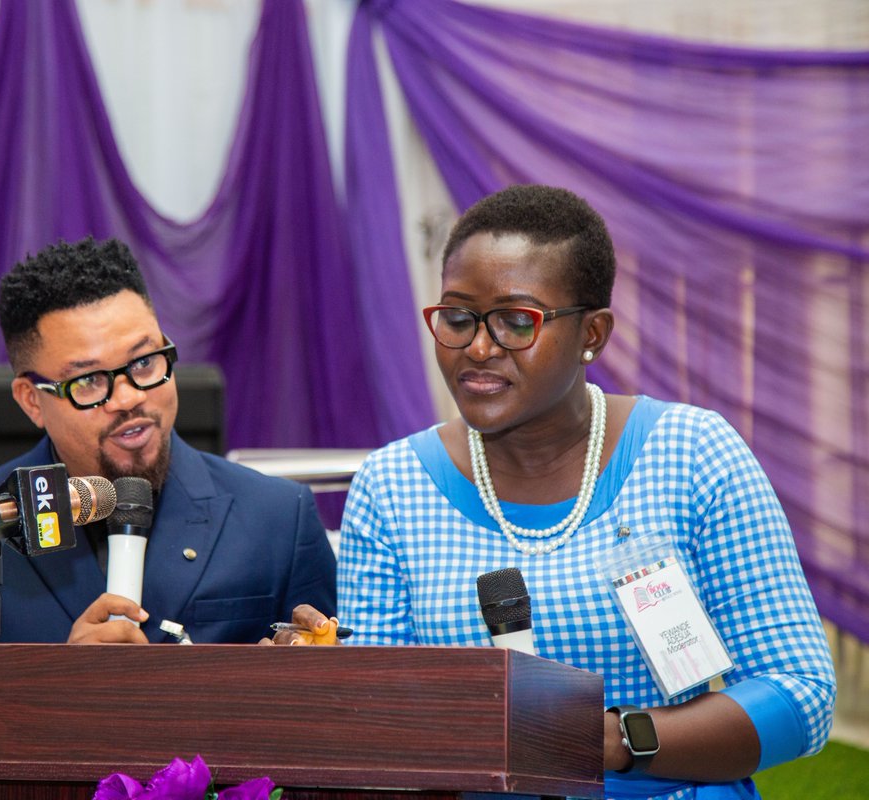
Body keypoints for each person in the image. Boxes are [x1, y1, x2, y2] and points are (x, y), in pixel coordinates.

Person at [329, 185, 835, 799]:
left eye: (517, 321)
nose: (479, 348)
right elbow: (379, 726)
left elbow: (799, 692)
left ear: (592, 333)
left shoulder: (692, 454)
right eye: (458, 319)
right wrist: (325, 679)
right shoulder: (392, 487)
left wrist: (611, 741)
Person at [0, 236, 336, 798]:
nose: (128, 397)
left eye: (144, 363)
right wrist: (59, 697)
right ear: (32, 400)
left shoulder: (277, 517)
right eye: (89, 382)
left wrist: (297, 684)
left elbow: (340, 739)